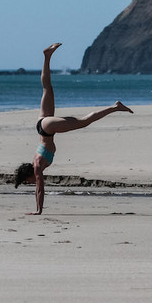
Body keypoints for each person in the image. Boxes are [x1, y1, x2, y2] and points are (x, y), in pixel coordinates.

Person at [13, 43, 132, 214]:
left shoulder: (37, 166)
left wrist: (39, 210)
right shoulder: (36, 163)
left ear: (29, 174)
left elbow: (40, 189)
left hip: (47, 129)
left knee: (83, 122)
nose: (31, 183)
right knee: (47, 88)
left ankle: (115, 107)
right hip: (41, 125)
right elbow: (37, 188)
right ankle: (47, 57)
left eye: (27, 181)